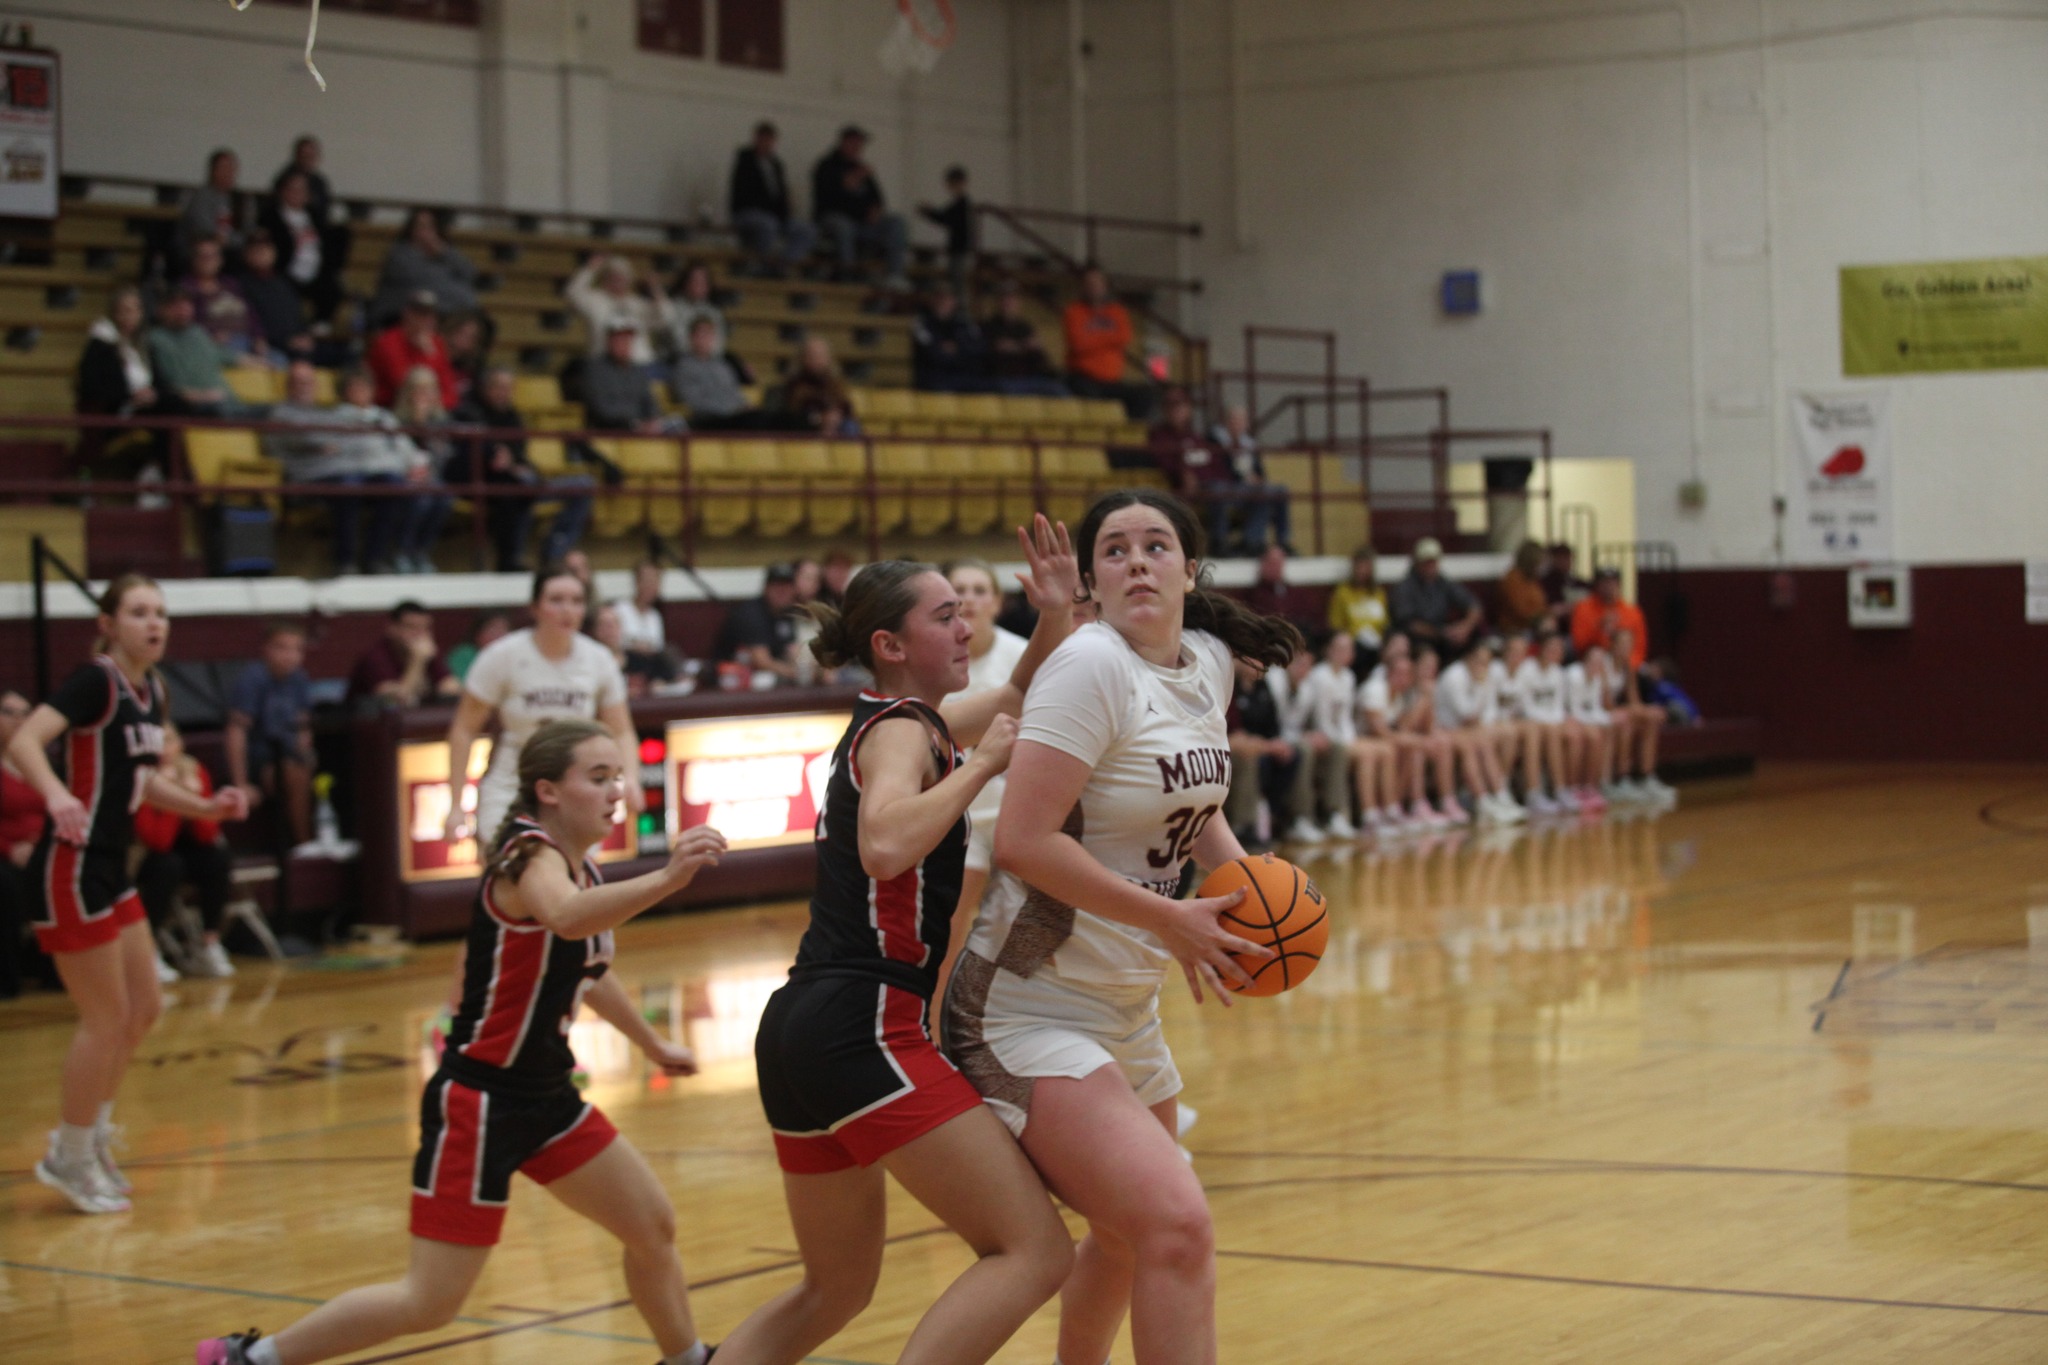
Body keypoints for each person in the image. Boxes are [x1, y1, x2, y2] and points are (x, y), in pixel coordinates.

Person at [198, 720, 726, 1365]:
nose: (617, 790)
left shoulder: (582, 869)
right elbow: (565, 919)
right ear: (548, 791)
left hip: (548, 1098)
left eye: (618, 775)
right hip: (481, 1102)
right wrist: (667, 879)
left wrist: (652, 1044)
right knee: (430, 1303)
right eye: (598, 777)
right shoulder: (529, 857)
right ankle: (250, 1359)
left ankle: (686, 1358)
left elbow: (587, 968)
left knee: (652, 1226)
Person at [942, 489, 1300, 1365]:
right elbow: (1023, 841)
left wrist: (1256, 890)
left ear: (1189, 569)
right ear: (1092, 584)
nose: (1137, 560)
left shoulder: (1206, 662)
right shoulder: (1088, 666)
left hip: (1123, 1000)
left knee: (1127, 1235)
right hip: (1022, 1006)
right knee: (1177, 1223)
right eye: (1114, 549)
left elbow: (1194, 806)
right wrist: (1170, 917)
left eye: (1156, 545)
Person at [717, 520, 1080, 1365]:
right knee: (1035, 1250)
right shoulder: (903, 731)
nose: (965, 627)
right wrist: (981, 769)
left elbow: (1017, 694)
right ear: (890, 644)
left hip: (803, 1024)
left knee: (835, 1288)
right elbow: (884, 844)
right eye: (944, 616)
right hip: (865, 1021)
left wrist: (1055, 613)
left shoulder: (908, 718)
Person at [8, 576, 248, 1213]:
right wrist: (56, 796)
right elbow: (24, 740)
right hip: (71, 864)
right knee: (105, 1017)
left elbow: (142, 782)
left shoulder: (154, 691)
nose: (155, 623)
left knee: (144, 1007)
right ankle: (68, 1154)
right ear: (109, 624)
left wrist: (206, 807)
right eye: (139, 612)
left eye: (161, 613)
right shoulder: (96, 681)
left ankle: (90, 1138)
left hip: (112, 865)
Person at [442, 565, 642, 849]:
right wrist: (455, 804)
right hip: (512, 784)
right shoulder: (502, 656)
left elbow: (621, 731)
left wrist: (631, 778)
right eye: (556, 600)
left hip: (575, 789)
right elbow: (464, 729)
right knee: (514, 870)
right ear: (535, 607)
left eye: (576, 601)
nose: (567, 610)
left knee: (571, 876)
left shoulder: (599, 660)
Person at [935, 557, 1029, 998]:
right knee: (950, 928)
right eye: (960, 590)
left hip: (1018, 814)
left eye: (979, 590)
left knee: (1023, 932)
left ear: (996, 601)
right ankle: (935, 1022)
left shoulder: (1022, 656)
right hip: (961, 814)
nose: (969, 599)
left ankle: (1012, 1021)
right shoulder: (935, 660)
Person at [265, 362, 412, 577]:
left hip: (343, 471)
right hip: (308, 477)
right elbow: (309, 439)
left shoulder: (323, 412)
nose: (305, 387)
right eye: (298, 382)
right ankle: (345, 561)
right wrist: (331, 442)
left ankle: (376, 558)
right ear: (288, 386)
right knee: (349, 487)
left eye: (309, 382)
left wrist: (336, 442)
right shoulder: (281, 413)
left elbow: (344, 442)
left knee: (392, 485)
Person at [452, 365, 592, 571]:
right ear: (486, 388)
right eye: (498, 387)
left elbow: (519, 454)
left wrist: (521, 465)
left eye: (509, 388)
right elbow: (469, 455)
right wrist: (498, 456)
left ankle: (553, 553)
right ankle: (511, 558)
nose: (504, 393)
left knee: (584, 484)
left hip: (524, 478)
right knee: (519, 488)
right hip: (490, 483)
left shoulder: (513, 416)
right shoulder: (470, 413)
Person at [134, 723, 237, 978]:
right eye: (157, 742)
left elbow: (207, 834)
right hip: (144, 857)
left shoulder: (194, 769)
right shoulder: (140, 776)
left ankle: (208, 943)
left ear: (180, 743)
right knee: (167, 866)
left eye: (169, 740)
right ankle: (148, 949)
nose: (164, 749)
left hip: (186, 851)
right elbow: (157, 841)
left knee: (217, 858)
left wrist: (198, 801)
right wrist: (176, 798)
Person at [226, 620, 316, 849]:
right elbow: (236, 731)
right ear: (266, 649)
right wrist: (241, 783)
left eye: (297, 649)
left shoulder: (300, 679)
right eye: (282, 647)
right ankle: (304, 845)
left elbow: (303, 727)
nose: (290, 656)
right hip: (259, 760)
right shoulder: (252, 679)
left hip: (289, 755)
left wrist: (306, 752)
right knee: (294, 775)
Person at [75, 286, 165, 482]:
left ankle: (155, 473)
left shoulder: (143, 346)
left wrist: (152, 394)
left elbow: (159, 382)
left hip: (146, 407)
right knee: (168, 413)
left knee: (175, 407)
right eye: (125, 310)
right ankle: (154, 476)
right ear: (114, 313)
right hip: (115, 412)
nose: (130, 316)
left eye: (135, 309)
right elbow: (91, 387)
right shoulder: (100, 346)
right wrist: (130, 397)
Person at [1435, 637, 1526, 825]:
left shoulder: (1483, 675)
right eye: (1479, 661)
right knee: (1472, 744)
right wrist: (1480, 686)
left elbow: (1487, 711)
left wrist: (1483, 722)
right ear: (1468, 658)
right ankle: (1482, 799)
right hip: (1446, 728)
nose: (1483, 666)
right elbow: (1466, 714)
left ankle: (1500, 794)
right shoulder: (1454, 676)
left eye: (1486, 662)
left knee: (1487, 740)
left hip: (1466, 729)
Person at [811, 125, 911, 291]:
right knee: (844, 226)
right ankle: (848, 274)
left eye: (860, 144)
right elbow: (831, 195)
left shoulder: (861, 168)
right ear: (844, 142)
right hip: (833, 219)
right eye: (855, 143)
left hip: (863, 223)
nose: (858, 147)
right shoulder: (827, 166)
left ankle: (895, 275)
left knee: (896, 222)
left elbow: (878, 199)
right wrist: (857, 176)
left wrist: (875, 211)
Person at [0, 690, 46, 1000]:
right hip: (5, 853)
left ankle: (50, 967)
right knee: (5, 884)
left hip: (40, 849)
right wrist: (10, 849)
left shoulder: (41, 763)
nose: (18, 719)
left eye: (25, 712)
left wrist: (40, 843)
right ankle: (8, 975)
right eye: (9, 712)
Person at [388, 365, 455, 574]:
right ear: (408, 392)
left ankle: (421, 551)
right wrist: (417, 425)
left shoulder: (441, 421)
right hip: (403, 476)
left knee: (444, 497)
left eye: (429, 389)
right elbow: (395, 453)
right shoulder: (395, 419)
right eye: (419, 389)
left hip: (432, 476)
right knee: (421, 500)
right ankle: (402, 551)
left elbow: (444, 455)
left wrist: (426, 427)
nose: (424, 395)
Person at [1296, 631, 1361, 841]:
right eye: (1339, 648)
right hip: (1315, 732)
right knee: (1338, 749)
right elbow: (1321, 719)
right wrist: (1340, 741)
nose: (1344, 653)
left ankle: (1338, 815)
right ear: (1329, 650)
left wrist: (1350, 740)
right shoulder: (1319, 676)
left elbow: (1344, 717)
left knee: (1343, 749)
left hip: (1329, 736)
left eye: (1348, 649)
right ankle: (1309, 817)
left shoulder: (1349, 677)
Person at [1061, 265, 1149, 419]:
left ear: (1105, 285)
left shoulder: (1117, 311)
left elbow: (1125, 337)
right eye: (1089, 283)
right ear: (1083, 286)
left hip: (1112, 381)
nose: (1094, 287)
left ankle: (1124, 433)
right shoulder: (1073, 311)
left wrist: (1092, 339)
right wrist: (1109, 338)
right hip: (1083, 379)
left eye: (1097, 283)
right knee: (1086, 397)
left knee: (1144, 395)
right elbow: (1078, 344)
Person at [728, 121, 817, 272]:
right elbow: (745, 195)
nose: (766, 144)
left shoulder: (776, 165)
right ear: (756, 139)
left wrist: (785, 210)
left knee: (807, 230)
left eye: (769, 140)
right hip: (749, 212)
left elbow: (780, 194)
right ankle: (762, 267)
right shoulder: (745, 162)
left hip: (775, 216)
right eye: (763, 139)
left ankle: (782, 264)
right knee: (768, 225)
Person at [565, 253, 678, 370]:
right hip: (603, 364)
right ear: (604, 279)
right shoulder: (595, 300)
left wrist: (656, 289)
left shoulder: (637, 304)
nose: (617, 280)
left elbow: (667, 317)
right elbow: (572, 294)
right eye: (612, 277)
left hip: (640, 364)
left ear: (629, 280)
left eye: (621, 277)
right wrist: (591, 268)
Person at [1512, 630, 1582, 817]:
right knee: (1543, 732)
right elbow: (1524, 706)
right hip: (1526, 720)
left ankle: (1562, 789)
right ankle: (1533, 793)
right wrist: (1550, 723)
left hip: (1547, 722)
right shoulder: (1526, 669)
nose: (1556, 652)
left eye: (1559, 649)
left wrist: (1556, 723)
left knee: (1568, 733)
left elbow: (1558, 707)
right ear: (1541, 649)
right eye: (1552, 648)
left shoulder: (1558, 673)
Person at [1207, 404, 1292, 554]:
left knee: (1278, 491)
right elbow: (1217, 468)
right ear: (1226, 422)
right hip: (1228, 485)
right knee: (1217, 490)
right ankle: (1219, 541)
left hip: (1248, 487)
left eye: (1241, 421)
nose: (1237, 424)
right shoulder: (1214, 440)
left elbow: (1260, 472)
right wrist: (1242, 477)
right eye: (1234, 420)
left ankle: (1273, 541)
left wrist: (1256, 479)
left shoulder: (1250, 443)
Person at [373, 208, 480, 326]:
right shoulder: (400, 254)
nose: (426, 231)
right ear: (411, 229)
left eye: (430, 226)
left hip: (446, 312)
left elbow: (469, 274)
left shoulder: (446, 253)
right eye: (421, 226)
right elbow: (425, 280)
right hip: (402, 314)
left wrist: (444, 253)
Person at [348, 601, 460, 709]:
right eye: (411, 627)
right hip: (363, 719)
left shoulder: (429, 653)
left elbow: (452, 688)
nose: (419, 634)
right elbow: (396, 702)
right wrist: (417, 661)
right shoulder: (374, 657)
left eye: (425, 628)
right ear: (392, 628)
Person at [1388, 537, 1482, 657]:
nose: (1430, 565)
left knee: (1478, 646)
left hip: (1445, 636)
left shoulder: (1443, 582)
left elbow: (1473, 605)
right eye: (1426, 562)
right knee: (1426, 653)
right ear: (1416, 562)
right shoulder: (1404, 587)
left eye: (1433, 561)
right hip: (1418, 639)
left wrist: (1465, 627)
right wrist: (1442, 633)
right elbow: (1408, 624)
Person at [671, 316, 771, 428]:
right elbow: (693, 402)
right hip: (709, 419)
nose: (705, 339)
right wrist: (731, 410)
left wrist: (744, 406)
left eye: (709, 334)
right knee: (754, 420)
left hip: (733, 416)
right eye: (701, 334)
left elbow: (733, 392)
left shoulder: (722, 365)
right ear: (691, 337)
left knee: (771, 418)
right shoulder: (684, 367)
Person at [367, 290, 460, 410]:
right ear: (407, 314)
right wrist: (427, 355)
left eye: (429, 315)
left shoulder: (436, 343)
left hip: (429, 409)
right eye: (420, 314)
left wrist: (436, 404)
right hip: (390, 407)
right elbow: (405, 386)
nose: (425, 320)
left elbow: (450, 392)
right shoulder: (388, 341)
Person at [146, 292, 234, 417]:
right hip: (198, 408)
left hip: (228, 403)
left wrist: (259, 361)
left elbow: (225, 356)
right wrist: (204, 396)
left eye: (187, 307)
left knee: (264, 412)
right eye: (177, 307)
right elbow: (169, 388)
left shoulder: (198, 332)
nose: (183, 312)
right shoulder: (155, 340)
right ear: (162, 310)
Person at [714, 562, 803, 682]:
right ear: (766, 588)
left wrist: (810, 668)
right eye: (777, 586)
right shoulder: (751, 614)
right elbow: (761, 662)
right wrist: (799, 673)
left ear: (794, 590)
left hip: (767, 675)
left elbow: (792, 651)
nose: (782, 591)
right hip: (730, 676)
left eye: (787, 587)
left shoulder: (786, 613)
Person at [180, 235, 262, 359]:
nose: (208, 260)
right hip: (215, 347)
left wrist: (259, 337)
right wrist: (211, 335)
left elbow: (251, 313)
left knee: (280, 360)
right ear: (193, 259)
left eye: (213, 256)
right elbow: (187, 323)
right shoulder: (186, 288)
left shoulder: (231, 284)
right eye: (203, 256)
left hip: (248, 341)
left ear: (221, 259)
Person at [981, 282, 1065, 396]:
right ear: (998, 301)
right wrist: (1023, 346)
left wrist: (1018, 347)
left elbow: (1036, 354)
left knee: (1056, 389)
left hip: (1029, 378)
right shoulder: (989, 326)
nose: (1008, 303)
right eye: (1004, 298)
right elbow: (997, 350)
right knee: (1005, 388)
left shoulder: (1024, 327)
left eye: (1012, 299)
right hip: (1003, 379)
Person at [238, 236, 312, 362]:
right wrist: (286, 341)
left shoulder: (284, 283)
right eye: (257, 250)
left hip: (297, 342)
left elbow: (298, 315)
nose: (262, 253)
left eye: (266, 249)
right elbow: (250, 321)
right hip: (267, 345)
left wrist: (305, 335)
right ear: (246, 254)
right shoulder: (240, 285)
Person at [584, 322, 668, 432]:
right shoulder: (595, 370)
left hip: (642, 428)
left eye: (627, 340)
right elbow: (601, 409)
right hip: (610, 430)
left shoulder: (637, 371)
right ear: (609, 342)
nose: (624, 344)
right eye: (619, 339)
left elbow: (649, 402)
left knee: (676, 425)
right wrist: (634, 423)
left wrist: (653, 419)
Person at [1146, 387, 1220, 506]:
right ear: (1164, 409)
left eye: (1180, 404)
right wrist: (1184, 471)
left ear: (1189, 408)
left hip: (1206, 485)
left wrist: (1196, 474)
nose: (1176, 410)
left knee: (1225, 490)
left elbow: (1211, 463)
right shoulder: (1158, 436)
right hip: (1176, 487)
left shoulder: (1196, 437)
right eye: (1171, 405)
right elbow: (1164, 463)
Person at [611, 560, 680, 685]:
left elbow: (658, 648)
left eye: (655, 581)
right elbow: (613, 644)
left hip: (651, 667)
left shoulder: (655, 616)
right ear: (636, 581)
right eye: (647, 580)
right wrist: (637, 647)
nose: (651, 585)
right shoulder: (620, 609)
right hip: (628, 665)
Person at [1570, 566, 1650, 671]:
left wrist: (1630, 666)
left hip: (1625, 667)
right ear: (1597, 585)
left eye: (1612, 582)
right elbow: (1579, 644)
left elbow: (1639, 648)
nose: (1608, 586)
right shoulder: (1583, 608)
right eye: (1604, 582)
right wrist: (1599, 629)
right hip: (1592, 666)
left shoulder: (1632, 612)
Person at [912, 283, 988, 392]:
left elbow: (978, 348)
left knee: (984, 387)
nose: (943, 302)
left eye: (947, 298)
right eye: (939, 298)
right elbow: (931, 353)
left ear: (954, 301)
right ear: (932, 300)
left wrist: (957, 349)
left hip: (963, 376)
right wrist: (959, 352)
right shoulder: (922, 322)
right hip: (933, 378)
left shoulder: (964, 322)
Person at [1326, 547, 1389, 678]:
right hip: (1354, 644)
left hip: (1377, 643)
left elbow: (1385, 623)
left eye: (1366, 566)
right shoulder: (1342, 593)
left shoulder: (1379, 593)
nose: (1362, 571)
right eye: (1360, 566)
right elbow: (1335, 625)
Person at [176, 148, 244, 267]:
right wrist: (218, 238)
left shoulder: (241, 199)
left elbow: (247, 230)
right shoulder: (201, 197)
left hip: (232, 248)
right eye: (224, 168)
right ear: (213, 170)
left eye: (231, 168)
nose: (228, 172)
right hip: (202, 248)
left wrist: (231, 240)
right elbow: (202, 226)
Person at [919, 164, 976, 298]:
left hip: (960, 250)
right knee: (955, 282)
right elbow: (945, 217)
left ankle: (960, 308)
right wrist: (929, 212)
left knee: (958, 283)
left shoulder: (962, 204)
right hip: (958, 249)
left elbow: (945, 218)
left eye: (951, 183)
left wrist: (928, 211)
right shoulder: (961, 204)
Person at [778, 336, 853, 434]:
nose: (816, 359)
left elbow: (846, 409)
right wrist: (820, 419)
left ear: (828, 358)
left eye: (820, 355)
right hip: (806, 426)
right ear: (802, 358)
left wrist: (835, 417)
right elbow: (792, 414)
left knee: (850, 426)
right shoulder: (794, 384)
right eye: (811, 355)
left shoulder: (835, 383)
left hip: (836, 425)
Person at [1497, 539, 1554, 635]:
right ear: (1532, 561)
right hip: (1517, 631)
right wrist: (1544, 617)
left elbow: (1541, 605)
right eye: (1540, 562)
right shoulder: (1512, 579)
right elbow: (1522, 611)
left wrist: (1550, 614)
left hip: (1536, 627)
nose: (1542, 566)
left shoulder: (1533, 580)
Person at [670, 262, 730, 353]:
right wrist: (697, 348)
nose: (698, 285)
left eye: (703, 281)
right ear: (685, 283)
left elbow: (719, 344)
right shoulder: (673, 307)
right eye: (694, 280)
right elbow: (676, 341)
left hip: (708, 358)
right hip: (678, 357)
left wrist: (704, 351)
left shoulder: (714, 312)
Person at [447, 609, 512, 684]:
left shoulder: (512, 656)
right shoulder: (463, 656)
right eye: (493, 629)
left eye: (504, 629)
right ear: (478, 633)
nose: (500, 635)